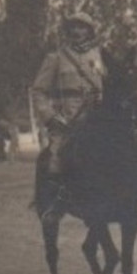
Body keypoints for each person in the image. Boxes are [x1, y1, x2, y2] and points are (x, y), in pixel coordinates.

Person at [31, 11, 106, 179]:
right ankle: (54, 203)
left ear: (89, 31)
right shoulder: (55, 58)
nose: (77, 32)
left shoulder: (100, 57)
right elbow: (38, 91)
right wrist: (50, 116)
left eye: (82, 27)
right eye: (73, 27)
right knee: (54, 161)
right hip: (67, 120)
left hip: (97, 117)